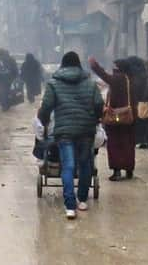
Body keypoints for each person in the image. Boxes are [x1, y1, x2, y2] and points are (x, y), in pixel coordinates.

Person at [38, 51, 104, 219]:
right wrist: (95, 118)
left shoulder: (53, 83)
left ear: (62, 64)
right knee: (85, 164)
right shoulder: (90, 83)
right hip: (86, 131)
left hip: (64, 131)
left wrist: (44, 121)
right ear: (78, 64)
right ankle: (82, 200)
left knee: (68, 166)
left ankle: (70, 206)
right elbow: (98, 104)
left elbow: (46, 107)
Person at [89, 57, 137, 181]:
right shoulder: (130, 79)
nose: (113, 67)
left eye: (114, 65)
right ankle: (129, 170)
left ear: (118, 67)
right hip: (128, 118)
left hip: (114, 118)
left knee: (115, 145)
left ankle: (116, 172)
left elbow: (104, 76)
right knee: (128, 144)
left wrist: (95, 65)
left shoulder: (117, 78)